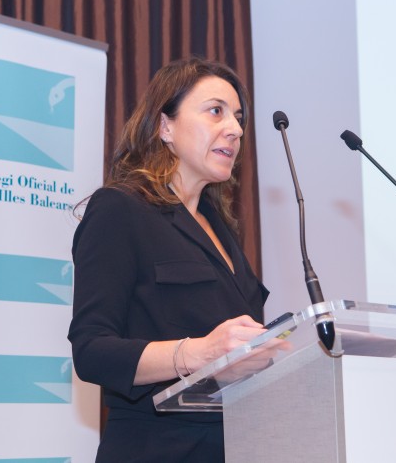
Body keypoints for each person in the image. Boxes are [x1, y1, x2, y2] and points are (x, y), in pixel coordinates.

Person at [68, 57, 283, 462]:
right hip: (155, 449)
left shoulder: (219, 227)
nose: (235, 129)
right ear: (165, 126)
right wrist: (200, 353)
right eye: (216, 111)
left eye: (238, 118)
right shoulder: (119, 209)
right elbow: (91, 351)